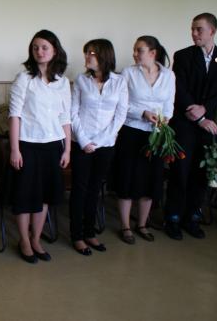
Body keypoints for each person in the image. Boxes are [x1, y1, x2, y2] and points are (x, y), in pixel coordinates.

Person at [165, 13, 217, 240]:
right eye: (192, 29)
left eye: (199, 29)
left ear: (212, 31)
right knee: (180, 172)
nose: (194, 33)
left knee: (202, 173)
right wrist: (196, 116)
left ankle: (192, 218)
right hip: (185, 124)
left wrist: (205, 109)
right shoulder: (183, 56)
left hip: (210, 125)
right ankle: (173, 218)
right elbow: (179, 89)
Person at [7, 29, 71, 264]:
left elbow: (65, 118)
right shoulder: (24, 78)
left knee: (44, 196)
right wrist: (15, 149)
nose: (39, 51)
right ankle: (24, 240)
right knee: (25, 196)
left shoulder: (62, 82)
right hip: (27, 144)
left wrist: (67, 149)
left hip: (53, 145)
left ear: (55, 50)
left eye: (44, 47)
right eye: (35, 47)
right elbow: (14, 115)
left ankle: (36, 239)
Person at [113, 36, 175, 244]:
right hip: (131, 132)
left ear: (152, 53)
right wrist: (143, 113)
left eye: (139, 50)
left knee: (151, 179)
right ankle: (125, 226)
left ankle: (142, 224)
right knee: (127, 178)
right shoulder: (128, 73)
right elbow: (122, 104)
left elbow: (169, 104)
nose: (134, 54)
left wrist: (165, 119)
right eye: (134, 50)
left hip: (156, 134)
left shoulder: (169, 75)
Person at [70, 39, 127, 255]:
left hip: (106, 144)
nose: (86, 57)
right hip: (81, 143)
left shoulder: (120, 82)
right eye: (86, 53)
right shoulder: (81, 80)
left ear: (104, 55)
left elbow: (120, 115)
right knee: (80, 189)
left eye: (91, 53)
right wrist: (84, 141)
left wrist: (100, 141)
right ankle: (77, 236)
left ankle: (89, 232)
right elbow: (73, 113)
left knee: (95, 189)